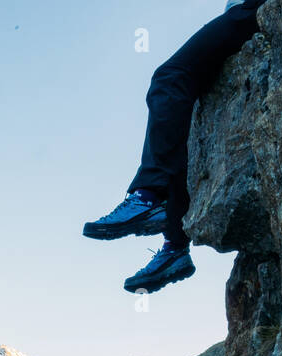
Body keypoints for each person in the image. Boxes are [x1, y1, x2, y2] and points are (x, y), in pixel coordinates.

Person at [83, 0, 267, 293]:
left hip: (252, 8)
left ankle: (149, 198)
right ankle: (174, 246)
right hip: (245, 11)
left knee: (169, 79)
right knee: (183, 109)